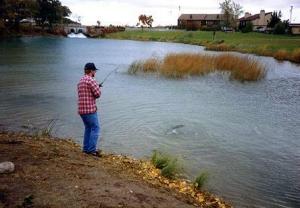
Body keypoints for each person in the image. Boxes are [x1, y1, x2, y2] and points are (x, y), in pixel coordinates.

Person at [77, 63, 102, 157]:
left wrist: (96, 86)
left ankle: (85, 149)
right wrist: (98, 87)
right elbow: (98, 94)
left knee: (88, 128)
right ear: (91, 71)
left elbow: (86, 92)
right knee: (96, 128)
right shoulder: (91, 80)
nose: (95, 72)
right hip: (90, 109)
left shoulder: (81, 80)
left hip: (81, 110)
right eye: (94, 70)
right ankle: (91, 150)